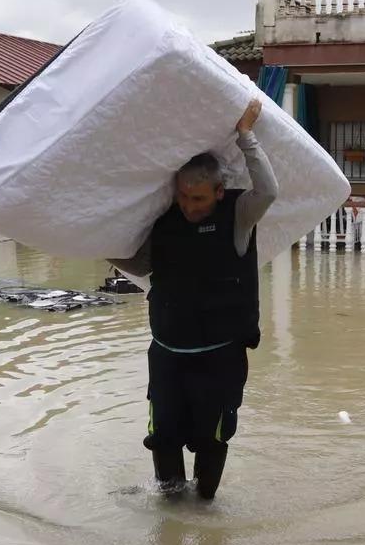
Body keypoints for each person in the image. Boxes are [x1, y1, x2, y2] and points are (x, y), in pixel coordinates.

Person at [109, 97, 277, 500]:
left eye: (198, 199)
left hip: (219, 358)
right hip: (167, 354)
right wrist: (86, 237)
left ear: (220, 192)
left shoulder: (238, 216)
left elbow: (269, 190)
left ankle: (205, 517)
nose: (188, 206)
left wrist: (245, 136)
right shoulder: (165, 222)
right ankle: (168, 515)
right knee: (162, 436)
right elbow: (135, 260)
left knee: (212, 439)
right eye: (183, 197)